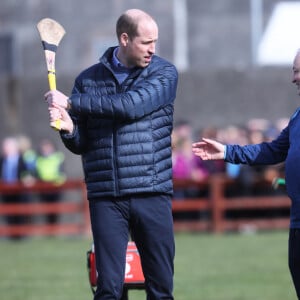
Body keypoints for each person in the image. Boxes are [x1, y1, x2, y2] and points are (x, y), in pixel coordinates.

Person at [44, 9, 178, 300]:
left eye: (155, 41)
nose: (153, 49)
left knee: (160, 289)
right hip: (106, 196)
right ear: (125, 39)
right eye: (146, 42)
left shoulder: (163, 73)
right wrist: (68, 129)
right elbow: (82, 143)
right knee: (107, 290)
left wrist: (72, 103)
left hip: (151, 191)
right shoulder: (88, 80)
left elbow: (129, 106)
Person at [191, 49, 300, 299]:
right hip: (297, 224)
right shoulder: (298, 117)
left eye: (297, 70)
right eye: (294, 70)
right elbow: (273, 150)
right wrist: (228, 152)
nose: (294, 78)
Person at [35, 139, 66, 225]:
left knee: (55, 210)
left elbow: (62, 173)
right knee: (46, 210)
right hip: (43, 188)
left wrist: (57, 183)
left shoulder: (58, 157)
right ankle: (49, 229)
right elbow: (36, 173)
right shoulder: (39, 159)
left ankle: (54, 229)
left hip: (55, 188)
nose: (45, 149)